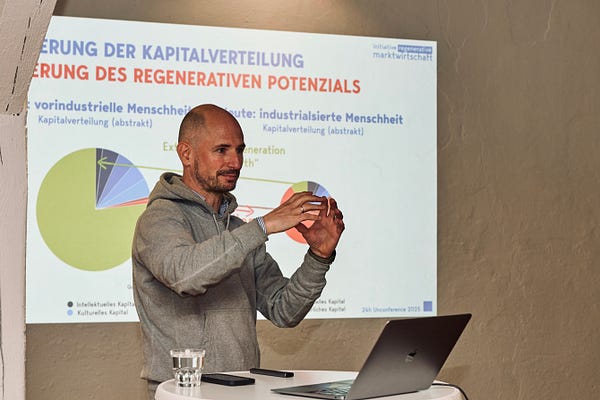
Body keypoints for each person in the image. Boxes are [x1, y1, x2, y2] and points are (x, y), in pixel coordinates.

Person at [132, 104, 345, 398]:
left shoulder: (238, 230)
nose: (235, 162)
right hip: (182, 393)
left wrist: (318, 257)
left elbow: (284, 311)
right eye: (221, 150)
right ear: (186, 154)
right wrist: (264, 225)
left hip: (242, 390)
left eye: (240, 150)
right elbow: (186, 275)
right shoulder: (159, 219)